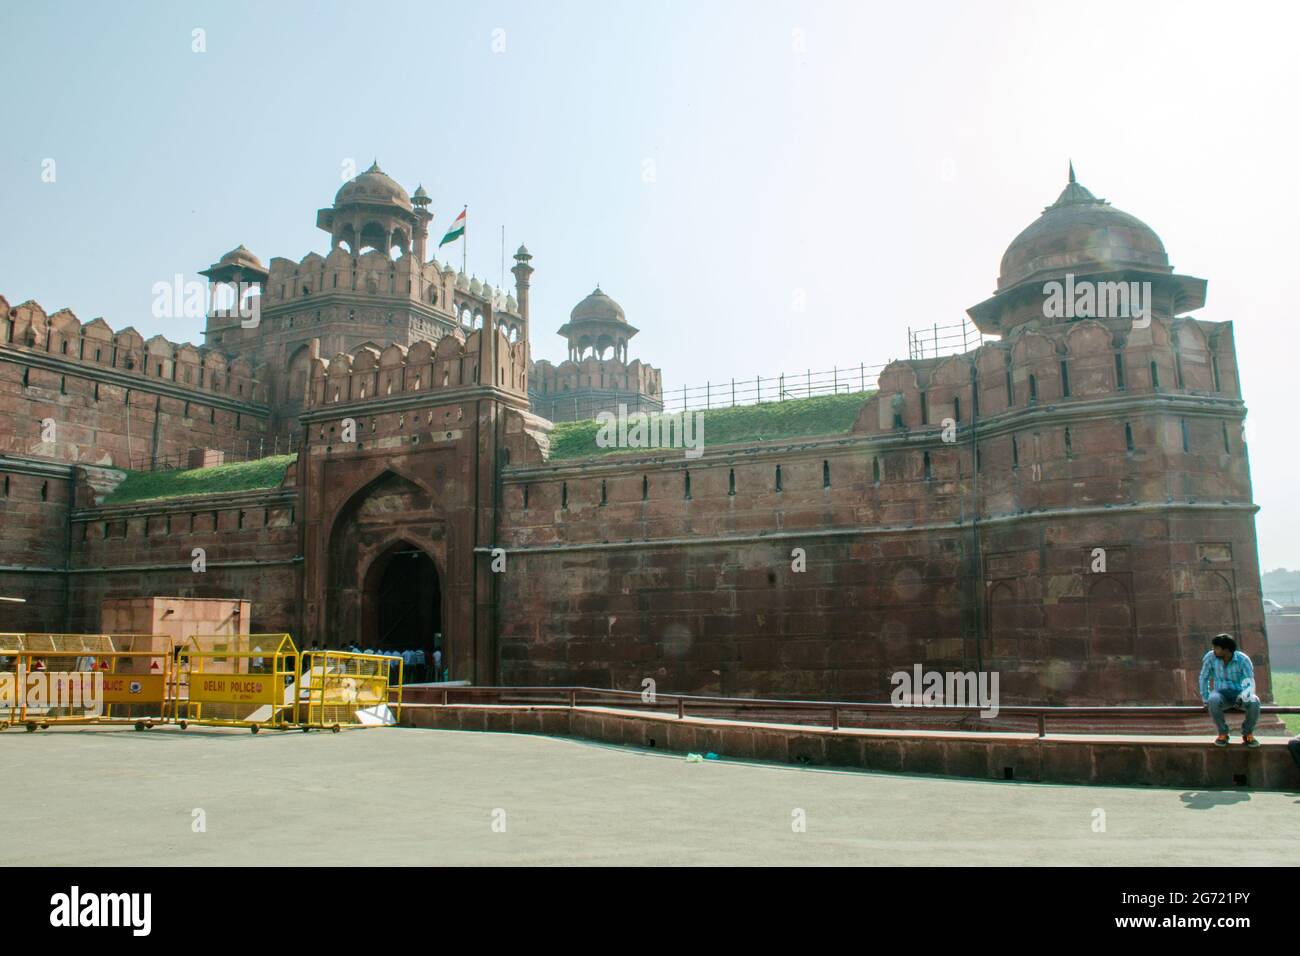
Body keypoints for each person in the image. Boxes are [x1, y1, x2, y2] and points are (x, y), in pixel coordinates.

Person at [1199, 633, 1260, 748]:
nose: (1213, 650)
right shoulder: (1210, 657)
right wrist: (1205, 698)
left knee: (1254, 701)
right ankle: (1223, 733)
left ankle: (1247, 733)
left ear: (1226, 650)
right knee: (1213, 699)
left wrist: (1243, 695)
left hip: (1239, 693)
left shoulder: (1243, 660)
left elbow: (1249, 682)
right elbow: (1204, 677)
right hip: (1220, 693)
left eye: (1216, 648)